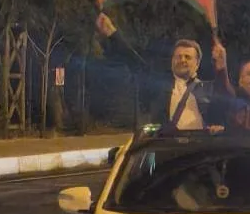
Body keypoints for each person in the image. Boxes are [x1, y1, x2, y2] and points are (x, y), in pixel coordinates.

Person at [95, 13, 225, 133]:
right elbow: (134, 62)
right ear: (172, 60)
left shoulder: (209, 89)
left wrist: (222, 68)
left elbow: (228, 106)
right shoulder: (159, 86)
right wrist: (112, 34)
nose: (182, 60)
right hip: (166, 149)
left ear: (197, 64)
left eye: (187, 57)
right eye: (178, 56)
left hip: (197, 151)